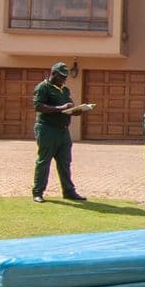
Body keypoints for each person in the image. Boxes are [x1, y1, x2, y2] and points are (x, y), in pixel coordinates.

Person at [31, 62, 86, 202]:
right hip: (47, 129)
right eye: (61, 76)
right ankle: (38, 192)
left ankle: (68, 191)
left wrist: (75, 111)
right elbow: (38, 106)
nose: (63, 79)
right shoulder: (43, 87)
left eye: (65, 77)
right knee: (44, 161)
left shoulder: (65, 90)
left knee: (65, 162)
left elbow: (68, 105)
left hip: (63, 131)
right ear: (53, 73)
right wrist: (60, 108)